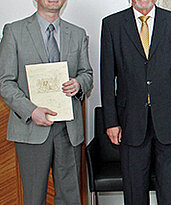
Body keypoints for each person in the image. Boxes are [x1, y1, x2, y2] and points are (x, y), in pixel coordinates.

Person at [100, 0, 171, 204]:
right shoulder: (112, 24)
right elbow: (107, 78)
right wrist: (111, 121)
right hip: (130, 122)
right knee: (135, 193)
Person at [0, 0, 93, 204]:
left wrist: (78, 84)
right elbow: (5, 82)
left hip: (68, 130)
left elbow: (87, 74)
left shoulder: (77, 34)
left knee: (71, 198)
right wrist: (31, 111)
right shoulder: (14, 31)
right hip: (31, 128)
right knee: (34, 198)